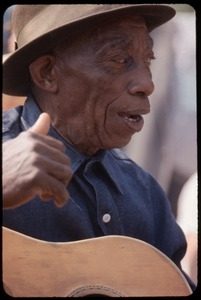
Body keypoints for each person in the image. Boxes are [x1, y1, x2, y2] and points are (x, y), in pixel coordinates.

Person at [2, 4, 196, 293]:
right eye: (119, 59)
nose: (147, 83)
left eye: (148, 60)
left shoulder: (146, 193)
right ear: (47, 73)